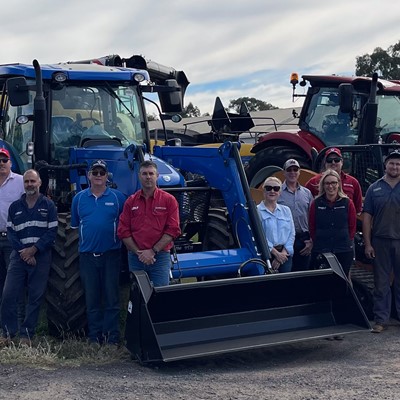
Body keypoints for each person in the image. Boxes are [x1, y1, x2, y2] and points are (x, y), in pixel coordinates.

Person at [70, 160, 126, 346]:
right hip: (87, 256)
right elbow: (76, 225)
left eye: (102, 172)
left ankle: (112, 338)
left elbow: (125, 224)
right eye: (95, 172)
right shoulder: (78, 199)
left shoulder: (118, 198)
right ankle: (94, 337)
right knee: (92, 299)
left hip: (111, 254)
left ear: (107, 176)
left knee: (111, 298)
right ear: (89, 175)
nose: (98, 175)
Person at [0, 169, 58, 346]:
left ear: (40, 183)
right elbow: (11, 232)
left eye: (33, 181)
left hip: (40, 257)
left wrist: (34, 250)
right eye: (27, 182)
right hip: (18, 257)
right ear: (23, 184)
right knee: (8, 295)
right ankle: (8, 333)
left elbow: (52, 232)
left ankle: (27, 334)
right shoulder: (15, 207)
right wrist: (23, 253)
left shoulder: (48, 206)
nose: (30, 185)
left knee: (35, 297)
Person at [118, 160, 181, 287]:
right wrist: (139, 253)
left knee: (160, 297)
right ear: (139, 176)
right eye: (144, 174)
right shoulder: (131, 201)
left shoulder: (169, 200)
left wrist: (153, 251)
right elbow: (123, 230)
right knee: (138, 295)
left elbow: (173, 229)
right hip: (136, 259)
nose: (148, 177)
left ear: (157, 176)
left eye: (151, 174)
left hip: (160, 257)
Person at [362, 150, 400, 334]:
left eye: (398, 164)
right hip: (380, 242)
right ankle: (381, 319)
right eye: (392, 163)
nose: (395, 167)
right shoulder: (374, 188)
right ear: (385, 165)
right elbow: (367, 217)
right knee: (381, 282)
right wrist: (368, 243)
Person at [309, 169, 357, 277]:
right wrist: (317, 239)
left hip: (343, 249)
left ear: (338, 184)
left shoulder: (347, 203)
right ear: (323, 185)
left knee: (343, 281)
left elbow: (352, 226)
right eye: (327, 183)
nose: (330, 186)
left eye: (333, 183)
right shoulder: (316, 203)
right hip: (322, 248)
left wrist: (346, 239)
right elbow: (312, 225)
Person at [278, 159, 313, 271]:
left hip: (304, 240)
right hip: (285, 240)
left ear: (299, 172)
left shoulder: (307, 193)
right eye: (289, 170)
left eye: (295, 170)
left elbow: (313, 218)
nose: (292, 172)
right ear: (284, 172)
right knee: (286, 273)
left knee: (303, 273)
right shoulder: (277, 192)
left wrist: (312, 240)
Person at [305, 147, 362, 214]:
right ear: (325, 163)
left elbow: (357, 210)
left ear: (342, 162)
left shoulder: (353, 182)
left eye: (336, 160)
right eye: (329, 160)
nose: (333, 162)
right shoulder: (313, 182)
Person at [0, 148, 24, 302]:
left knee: (14, 282)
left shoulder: (21, 181)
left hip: (12, 239)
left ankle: (16, 322)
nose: (1, 163)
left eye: (4, 160)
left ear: (10, 162)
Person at [257, 176, 295, 273]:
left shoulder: (286, 210)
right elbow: (258, 235)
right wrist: (276, 254)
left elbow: (292, 234)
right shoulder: (256, 211)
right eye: (268, 188)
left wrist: (282, 253)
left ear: (280, 192)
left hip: (285, 255)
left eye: (276, 188)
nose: (272, 191)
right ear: (263, 190)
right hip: (265, 255)